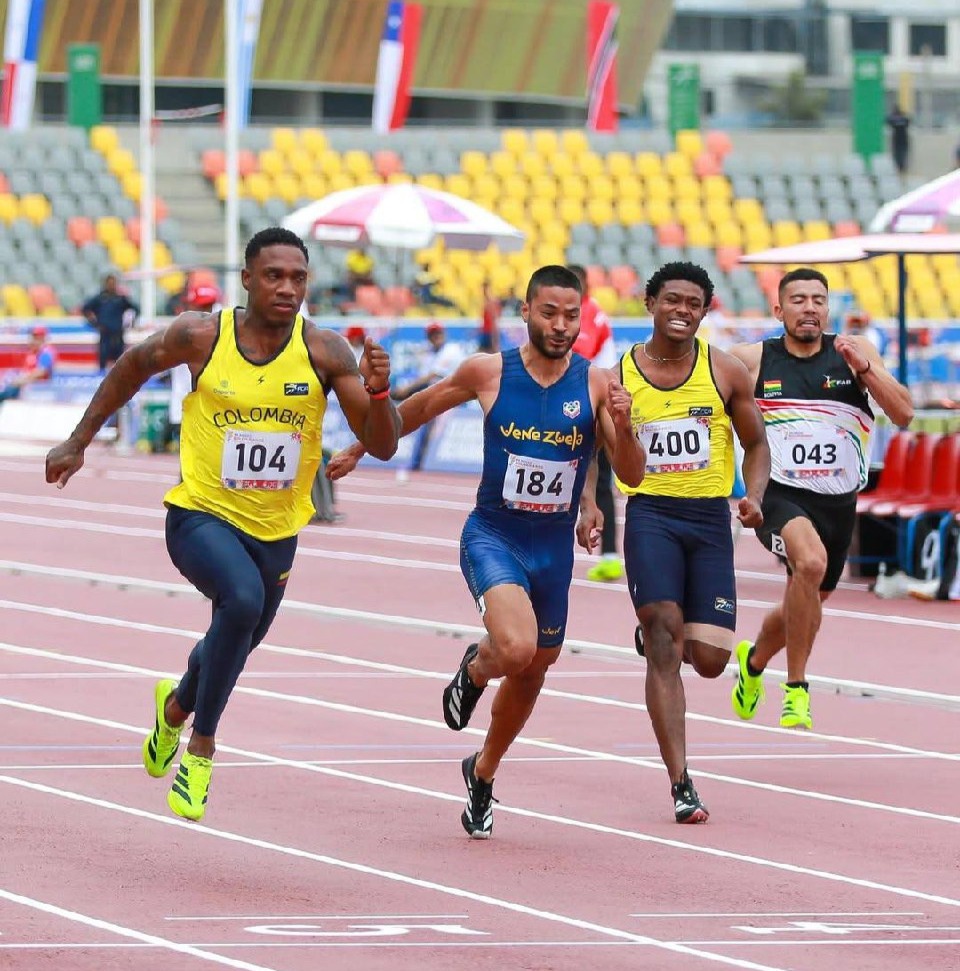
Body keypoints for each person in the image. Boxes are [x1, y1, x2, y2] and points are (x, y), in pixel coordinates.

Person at [45, 227, 401, 821]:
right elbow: (133, 366)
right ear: (247, 279)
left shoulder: (325, 350)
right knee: (239, 602)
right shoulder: (202, 335)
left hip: (278, 528)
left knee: (234, 641)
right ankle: (201, 752)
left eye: (297, 278)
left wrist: (381, 389)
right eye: (273, 276)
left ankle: (175, 710)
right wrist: (79, 440)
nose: (287, 288)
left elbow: (382, 444)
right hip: (199, 515)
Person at [327, 264, 646, 839]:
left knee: (533, 669)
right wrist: (358, 448)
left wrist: (624, 430)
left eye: (571, 315)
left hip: (554, 549)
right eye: (549, 312)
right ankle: (474, 670)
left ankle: (483, 771)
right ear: (525, 312)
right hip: (494, 536)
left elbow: (633, 473)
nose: (561, 324)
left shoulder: (597, 383)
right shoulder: (488, 371)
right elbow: (415, 411)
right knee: (515, 647)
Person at [577, 261, 770, 824]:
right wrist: (589, 502)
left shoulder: (726, 371)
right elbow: (596, 452)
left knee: (709, 660)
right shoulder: (617, 378)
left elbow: (756, 444)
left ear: (704, 311)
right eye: (673, 301)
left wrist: (754, 494)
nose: (682, 311)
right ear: (650, 303)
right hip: (652, 515)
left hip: (711, 521)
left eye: (694, 304)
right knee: (665, 638)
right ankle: (682, 781)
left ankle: (663, 635)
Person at [727, 267, 913, 730]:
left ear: (828, 309)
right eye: (798, 300)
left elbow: (904, 413)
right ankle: (797, 690)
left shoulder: (855, 353)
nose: (809, 308)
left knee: (806, 601)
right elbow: (695, 383)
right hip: (780, 494)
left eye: (817, 300)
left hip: (838, 500)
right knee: (808, 565)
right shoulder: (753, 360)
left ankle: (752, 664)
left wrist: (866, 371)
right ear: (779, 310)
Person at [567, 263, 621, 583]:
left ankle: (611, 556)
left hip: (591, 403)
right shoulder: (572, 311)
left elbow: (580, 353)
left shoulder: (592, 313)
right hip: (570, 405)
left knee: (599, 482)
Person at [82, 273, 140, 372]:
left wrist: (130, 323)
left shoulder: (121, 299)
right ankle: (101, 381)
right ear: (105, 284)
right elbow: (85, 309)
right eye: (109, 283)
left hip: (118, 334)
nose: (111, 285)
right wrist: (94, 323)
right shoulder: (100, 299)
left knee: (120, 363)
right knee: (102, 360)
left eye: (113, 283)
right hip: (105, 334)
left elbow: (136, 309)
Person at [0, 325, 56, 402]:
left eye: (37, 338)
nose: (33, 340)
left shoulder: (45, 353)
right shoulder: (33, 352)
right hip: (25, 384)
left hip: (35, 387)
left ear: (43, 339)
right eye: (33, 337)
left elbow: (41, 372)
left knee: (8, 391)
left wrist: (21, 380)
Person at [885, 104, 911, 177]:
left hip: (903, 142)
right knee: (896, 158)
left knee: (903, 158)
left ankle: (902, 171)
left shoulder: (903, 119)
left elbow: (908, 120)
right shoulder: (894, 119)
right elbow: (887, 120)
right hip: (896, 142)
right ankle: (897, 171)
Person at [478, 281, 501, 353]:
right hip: (486, 332)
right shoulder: (486, 302)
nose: (483, 292)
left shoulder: (492, 302)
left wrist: (494, 337)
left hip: (489, 333)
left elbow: (494, 320)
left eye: (485, 289)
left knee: (489, 353)